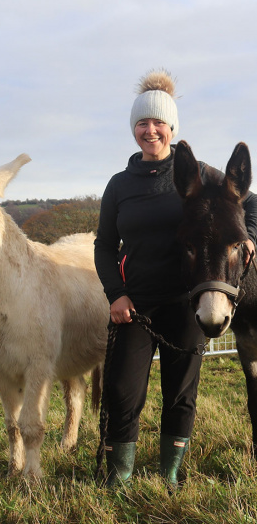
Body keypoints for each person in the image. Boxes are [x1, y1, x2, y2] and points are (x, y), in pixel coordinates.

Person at [94, 69, 257, 489]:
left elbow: (248, 204)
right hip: (136, 306)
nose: (151, 130)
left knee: (181, 394)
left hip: (189, 302)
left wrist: (250, 239)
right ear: (134, 130)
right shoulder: (119, 186)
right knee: (122, 392)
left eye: (159, 123)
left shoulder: (200, 176)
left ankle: (170, 473)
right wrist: (116, 294)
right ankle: (119, 476)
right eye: (142, 123)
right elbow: (103, 246)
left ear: (172, 128)